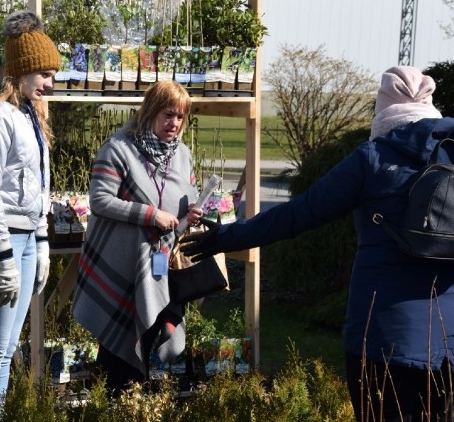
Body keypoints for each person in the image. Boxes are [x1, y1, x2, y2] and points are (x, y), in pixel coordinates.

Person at [181, 66, 454, 422]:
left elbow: (299, 213)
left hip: (384, 335)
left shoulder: (373, 159)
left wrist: (226, 236)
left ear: (384, 107)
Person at [71, 79, 204, 394]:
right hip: (122, 264)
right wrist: (150, 215)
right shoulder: (118, 148)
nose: (174, 123)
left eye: (180, 117)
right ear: (151, 111)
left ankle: (134, 407)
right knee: (118, 350)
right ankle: (112, 407)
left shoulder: (182, 155)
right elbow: (100, 201)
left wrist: (189, 216)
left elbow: (185, 198)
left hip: (160, 267)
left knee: (146, 343)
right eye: (168, 114)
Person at [0, 10, 60, 417]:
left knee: (6, 349)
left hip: (23, 240)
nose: (50, 83)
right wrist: (3, 253)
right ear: (21, 70)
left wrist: (40, 242)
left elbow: (37, 184)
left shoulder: (31, 117)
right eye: (44, 74)